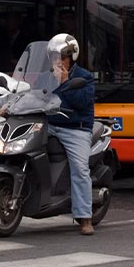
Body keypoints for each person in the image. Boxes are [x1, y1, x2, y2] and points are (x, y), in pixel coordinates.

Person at [46, 33, 97, 235]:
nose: (58, 61)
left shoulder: (84, 77)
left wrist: (65, 81)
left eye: (62, 57)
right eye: (54, 57)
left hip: (76, 128)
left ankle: (85, 217)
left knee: (80, 169)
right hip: (49, 124)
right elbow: (29, 93)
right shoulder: (45, 76)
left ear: (72, 57)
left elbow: (82, 102)